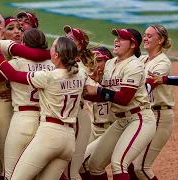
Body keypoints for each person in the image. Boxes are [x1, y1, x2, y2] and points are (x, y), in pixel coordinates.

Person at [0, 9, 51, 179]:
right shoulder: (0, 45)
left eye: (19, 28)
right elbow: (36, 54)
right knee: (6, 162)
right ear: (0, 27)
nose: (17, 31)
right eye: (11, 27)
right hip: (0, 105)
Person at [0, 35, 86, 180]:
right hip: (69, 138)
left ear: (57, 55)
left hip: (49, 134)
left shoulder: (50, 76)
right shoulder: (80, 74)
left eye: (52, 47)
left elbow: (13, 74)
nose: (49, 50)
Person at [84, 28, 156, 180]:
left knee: (119, 163)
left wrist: (97, 89)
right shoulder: (110, 64)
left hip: (139, 118)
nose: (116, 40)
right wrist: (85, 94)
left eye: (122, 38)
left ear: (133, 45)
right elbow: (106, 96)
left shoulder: (134, 65)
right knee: (95, 164)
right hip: (121, 121)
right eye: (116, 37)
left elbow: (124, 98)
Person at [0, 28, 55, 179]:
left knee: (11, 174)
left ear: (24, 44)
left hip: (22, 120)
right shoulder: (53, 64)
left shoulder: (17, 63)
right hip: (44, 121)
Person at [129, 24, 174, 180]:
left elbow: (150, 83)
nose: (145, 38)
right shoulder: (141, 59)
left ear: (160, 40)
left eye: (150, 36)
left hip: (159, 116)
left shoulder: (163, 62)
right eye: (145, 35)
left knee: (141, 168)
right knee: (127, 162)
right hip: (145, 116)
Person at [63, 25, 95, 180]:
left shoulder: (81, 68)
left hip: (77, 118)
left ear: (80, 46)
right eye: (66, 36)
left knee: (71, 172)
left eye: (72, 38)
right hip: (65, 118)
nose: (66, 39)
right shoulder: (58, 63)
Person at [77, 47, 114, 180]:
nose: (95, 64)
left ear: (109, 62)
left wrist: (99, 84)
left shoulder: (116, 78)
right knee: (78, 164)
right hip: (94, 129)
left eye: (99, 60)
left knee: (89, 163)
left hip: (111, 129)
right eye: (92, 61)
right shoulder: (89, 79)